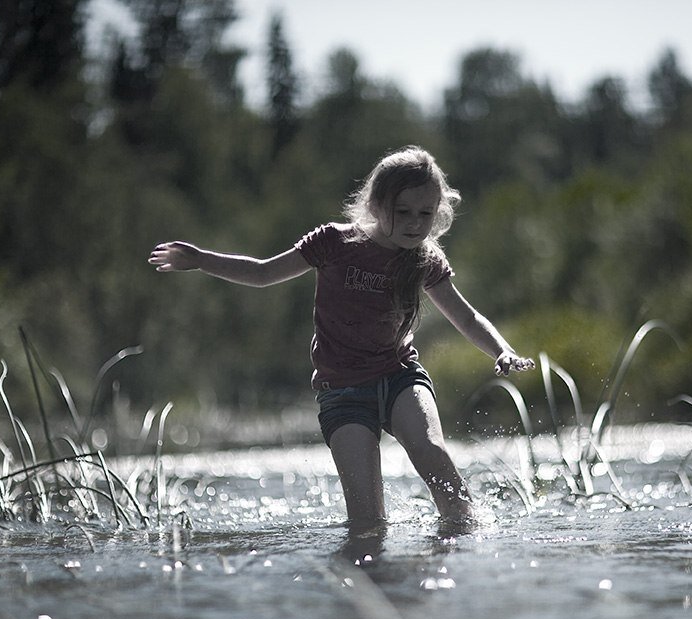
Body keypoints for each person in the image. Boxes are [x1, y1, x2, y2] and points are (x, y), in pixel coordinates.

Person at [148, 145, 534, 526]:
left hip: (400, 378)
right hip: (343, 390)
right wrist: (200, 259)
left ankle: (466, 541)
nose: (416, 224)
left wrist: (501, 350)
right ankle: (372, 581)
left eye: (426, 214)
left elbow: (466, 318)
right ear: (377, 205)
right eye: (404, 212)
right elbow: (263, 273)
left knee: (432, 451)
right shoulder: (334, 243)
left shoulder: (425, 259)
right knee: (367, 520)